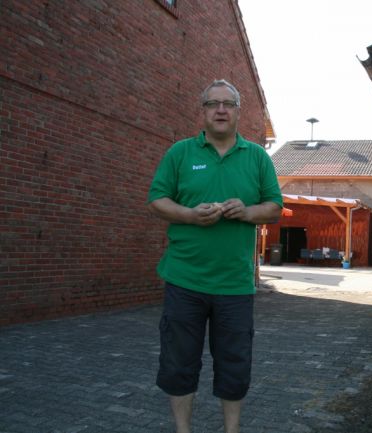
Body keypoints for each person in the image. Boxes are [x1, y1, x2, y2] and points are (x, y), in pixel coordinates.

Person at [147, 79, 283, 433]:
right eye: (213, 103)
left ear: (238, 111)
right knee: (178, 362)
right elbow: (157, 200)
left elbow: (274, 207)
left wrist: (248, 211)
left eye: (228, 104)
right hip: (184, 280)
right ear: (203, 111)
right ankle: (183, 430)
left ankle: (231, 430)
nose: (221, 110)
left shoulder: (257, 157)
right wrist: (190, 215)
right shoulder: (180, 153)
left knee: (234, 363)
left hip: (235, 284)